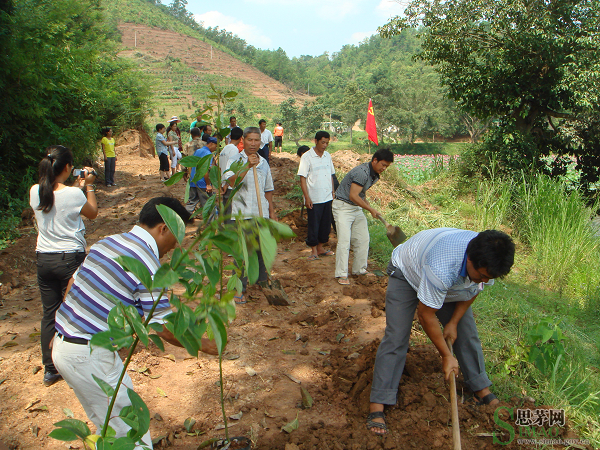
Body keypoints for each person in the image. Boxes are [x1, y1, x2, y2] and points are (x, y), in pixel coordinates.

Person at [52, 197, 217, 447]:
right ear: (164, 228)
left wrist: (69, 326)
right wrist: (205, 345)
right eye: (174, 241)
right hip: (88, 355)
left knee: (107, 426)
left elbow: (73, 283)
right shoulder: (147, 263)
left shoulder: (107, 242)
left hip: (63, 348)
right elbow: (162, 327)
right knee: (132, 433)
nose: (173, 249)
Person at [367, 229, 515, 435]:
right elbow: (426, 315)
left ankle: (481, 389)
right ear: (470, 259)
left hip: (447, 281)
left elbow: (472, 291)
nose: (483, 280)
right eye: (481, 276)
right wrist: (446, 355)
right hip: (408, 273)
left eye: (487, 278)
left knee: (466, 331)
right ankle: (378, 403)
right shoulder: (442, 267)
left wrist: (453, 322)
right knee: (397, 336)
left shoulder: (488, 262)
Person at [29, 145, 98, 386]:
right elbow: (93, 212)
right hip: (69, 259)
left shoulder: (35, 191)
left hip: (44, 259)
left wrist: (77, 189)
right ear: (68, 168)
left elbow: (56, 203)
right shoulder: (74, 194)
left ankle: (50, 368)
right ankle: (76, 362)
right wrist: (88, 185)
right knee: (74, 309)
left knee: (50, 312)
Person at [224, 127, 276, 304]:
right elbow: (232, 181)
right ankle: (238, 289)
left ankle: (263, 281)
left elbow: (268, 190)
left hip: (261, 214)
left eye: (257, 140)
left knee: (262, 250)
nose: (253, 144)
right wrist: (247, 166)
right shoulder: (234, 160)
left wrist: (272, 212)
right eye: (250, 140)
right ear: (243, 141)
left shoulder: (264, 163)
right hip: (242, 214)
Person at [332, 148, 394, 285]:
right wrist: (370, 209)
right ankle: (342, 274)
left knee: (363, 239)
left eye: (387, 166)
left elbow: (360, 193)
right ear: (375, 160)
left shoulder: (375, 175)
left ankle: (359, 269)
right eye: (383, 164)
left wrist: (368, 205)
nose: (384, 168)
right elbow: (353, 195)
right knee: (344, 241)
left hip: (355, 208)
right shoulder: (362, 172)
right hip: (342, 207)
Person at [298, 131, 335, 261]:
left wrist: (332, 191)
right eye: (322, 142)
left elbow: (330, 175)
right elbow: (303, 178)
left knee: (325, 225)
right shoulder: (307, 157)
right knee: (314, 224)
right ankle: (313, 250)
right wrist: (306, 197)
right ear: (316, 141)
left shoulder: (327, 156)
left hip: (327, 196)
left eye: (327, 143)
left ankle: (320, 247)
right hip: (314, 197)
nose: (325, 145)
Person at [186, 136, 218, 214]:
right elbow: (205, 169)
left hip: (194, 181)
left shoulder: (198, 151)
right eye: (216, 146)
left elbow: (190, 164)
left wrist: (191, 177)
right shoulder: (208, 154)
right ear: (211, 144)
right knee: (208, 205)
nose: (216, 148)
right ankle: (210, 224)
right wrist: (208, 184)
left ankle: (184, 219)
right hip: (203, 183)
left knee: (191, 203)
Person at [219, 126, 243, 217]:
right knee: (230, 211)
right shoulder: (234, 150)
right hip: (229, 185)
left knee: (226, 208)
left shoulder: (224, 149)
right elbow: (232, 169)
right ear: (241, 138)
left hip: (223, 183)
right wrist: (227, 183)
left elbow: (220, 167)